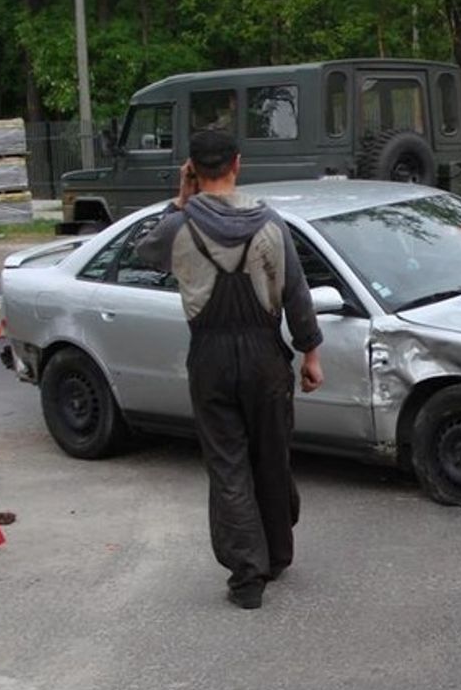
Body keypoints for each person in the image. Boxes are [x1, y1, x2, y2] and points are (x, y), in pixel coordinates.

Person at [137, 130, 324, 609]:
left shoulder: (178, 226)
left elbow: (145, 252)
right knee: (271, 454)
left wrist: (180, 201)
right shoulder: (272, 224)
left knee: (228, 465)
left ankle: (247, 576)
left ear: (192, 170)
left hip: (210, 357)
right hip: (266, 357)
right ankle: (277, 554)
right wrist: (310, 354)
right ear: (238, 164)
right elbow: (296, 293)